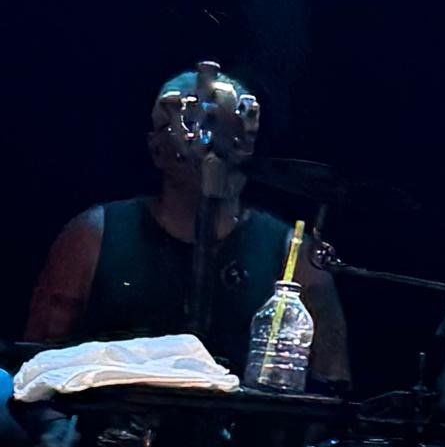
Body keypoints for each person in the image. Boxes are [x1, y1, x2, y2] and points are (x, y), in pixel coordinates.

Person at [24, 62, 345, 379]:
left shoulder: (294, 253)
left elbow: (332, 383)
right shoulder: (95, 235)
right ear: (156, 149)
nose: (211, 146)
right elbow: (36, 362)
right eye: (191, 125)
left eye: (226, 129)